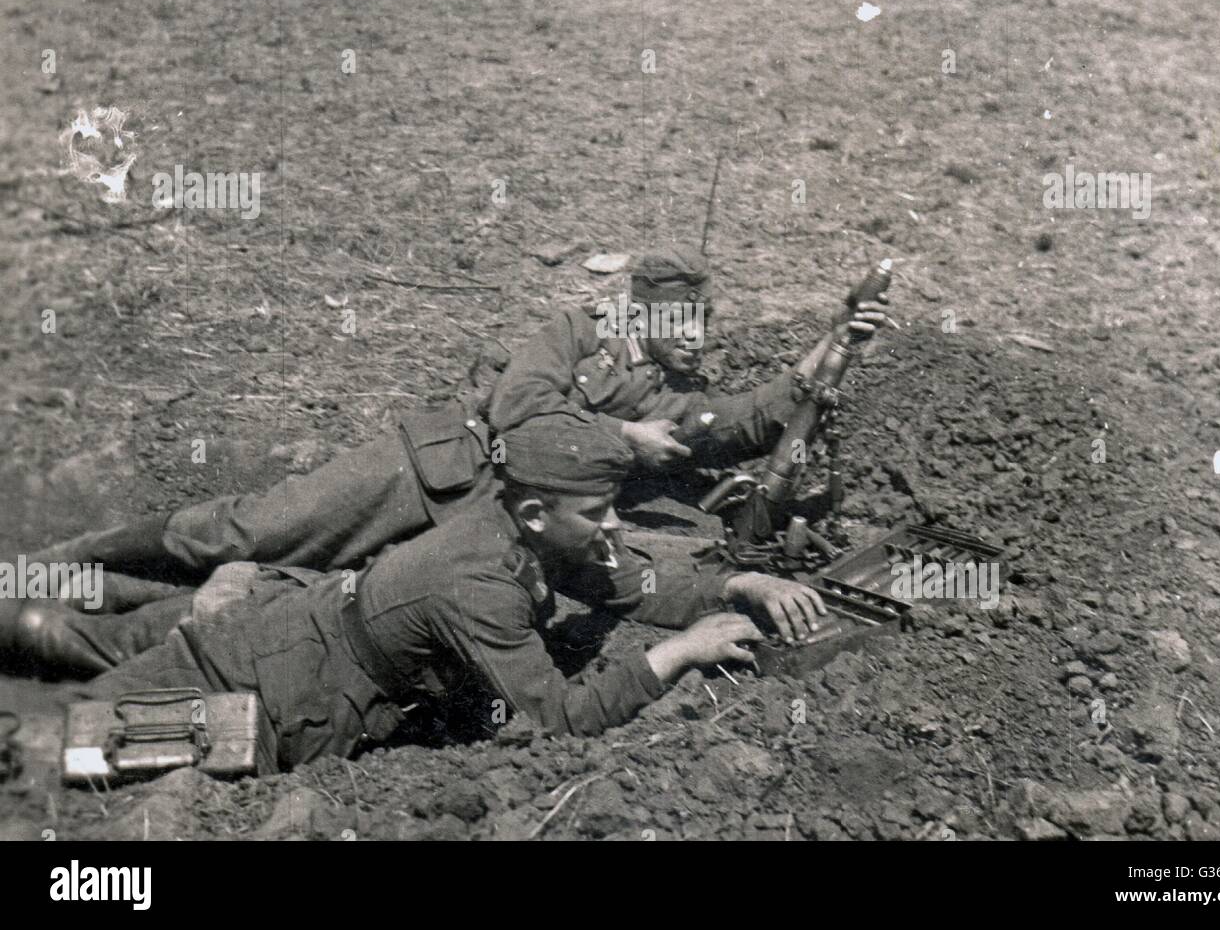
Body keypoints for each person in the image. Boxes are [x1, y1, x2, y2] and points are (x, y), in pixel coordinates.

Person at [14, 246, 889, 589]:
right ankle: (55, 567)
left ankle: (110, 616)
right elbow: (519, 412)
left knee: (323, 596)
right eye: (687, 325)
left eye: (707, 325)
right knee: (250, 530)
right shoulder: (576, 331)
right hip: (429, 466)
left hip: (485, 522)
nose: (702, 342)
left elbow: (744, 422)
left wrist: (832, 341)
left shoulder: (670, 395)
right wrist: (623, 439)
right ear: (649, 315)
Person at [14, 414, 826, 771]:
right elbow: (557, 718)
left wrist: (738, 581)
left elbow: (637, 584)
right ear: (541, 512)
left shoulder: (519, 527)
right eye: (600, 512)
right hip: (260, 691)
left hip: (276, 624)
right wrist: (679, 653)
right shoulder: (482, 585)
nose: (616, 527)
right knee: (57, 747)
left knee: (73, 643)